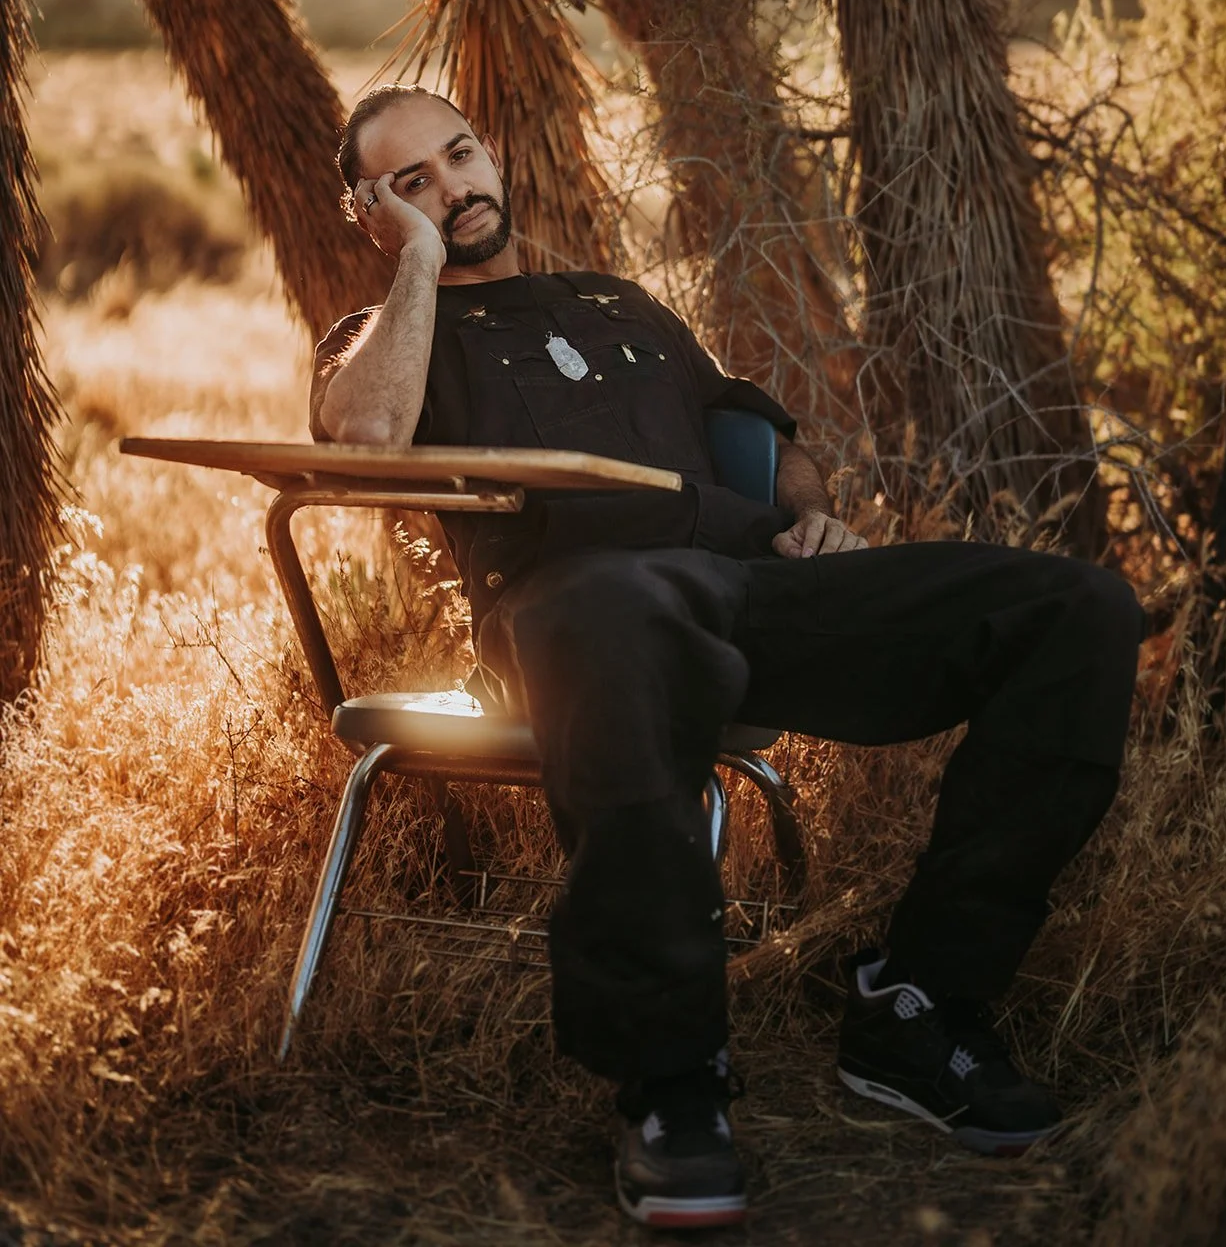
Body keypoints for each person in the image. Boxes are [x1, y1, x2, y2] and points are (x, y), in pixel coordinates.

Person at [310, 85, 1144, 1231]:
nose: (453, 189)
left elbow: (754, 429)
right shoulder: (382, 337)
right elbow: (362, 436)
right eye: (413, 183)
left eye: (459, 157)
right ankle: (669, 1081)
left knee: (1078, 608)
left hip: (755, 588)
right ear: (371, 210)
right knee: (613, 617)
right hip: (575, 606)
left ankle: (918, 1003)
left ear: (491, 153)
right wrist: (410, 260)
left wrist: (810, 514)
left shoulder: (618, 302)